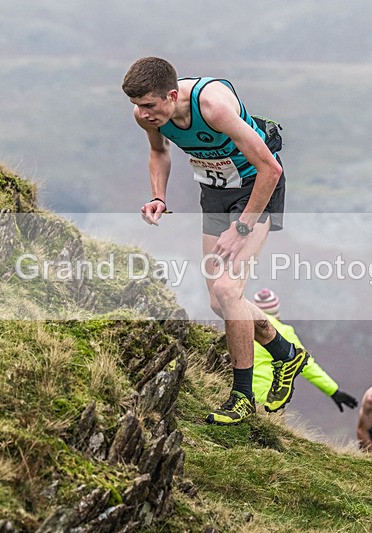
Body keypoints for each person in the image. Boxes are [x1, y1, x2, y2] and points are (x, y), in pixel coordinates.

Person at [122, 57, 309, 425]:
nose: (142, 114)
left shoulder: (213, 106)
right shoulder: (147, 116)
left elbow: (271, 169)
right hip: (215, 193)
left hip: (256, 190)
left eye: (148, 105)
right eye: (136, 105)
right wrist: (158, 197)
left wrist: (242, 227)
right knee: (218, 300)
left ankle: (242, 398)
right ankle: (285, 353)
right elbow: (159, 151)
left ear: (171, 95)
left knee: (227, 289)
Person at [252, 289, 357, 412]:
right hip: (268, 397)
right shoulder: (282, 331)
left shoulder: (242, 328)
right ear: (276, 311)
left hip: (238, 393)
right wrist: (333, 391)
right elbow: (305, 363)